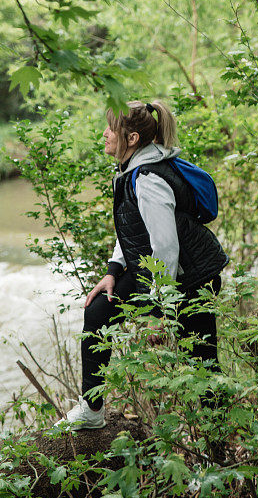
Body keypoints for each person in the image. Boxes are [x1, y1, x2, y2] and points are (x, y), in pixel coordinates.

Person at [57, 100, 228, 429]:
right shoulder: (130, 171)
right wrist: (112, 271)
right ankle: (92, 411)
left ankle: (217, 443)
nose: (105, 134)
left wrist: (156, 311)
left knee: (204, 365)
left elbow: (166, 247)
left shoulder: (148, 178)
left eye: (111, 129)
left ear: (131, 138)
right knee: (97, 312)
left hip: (191, 279)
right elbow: (134, 230)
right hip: (157, 272)